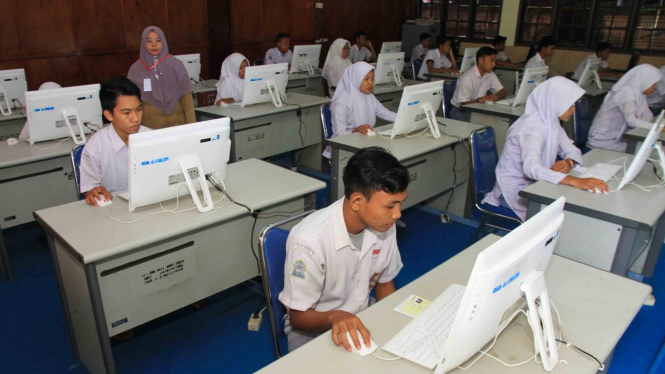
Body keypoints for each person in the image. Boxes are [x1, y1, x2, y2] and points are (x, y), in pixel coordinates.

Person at [279, 146, 409, 352]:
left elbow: (384, 283)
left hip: (361, 312)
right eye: (390, 206)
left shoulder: (385, 226)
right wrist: (334, 316)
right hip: (312, 327)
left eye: (401, 204)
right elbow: (298, 318)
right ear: (357, 201)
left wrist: (393, 322)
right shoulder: (309, 240)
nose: (397, 214)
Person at [483, 77, 609, 221]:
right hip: (514, 191)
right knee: (562, 214)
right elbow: (531, 168)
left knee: (567, 205)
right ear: (555, 102)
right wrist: (573, 180)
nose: (573, 109)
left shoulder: (551, 122)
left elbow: (572, 149)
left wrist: (569, 162)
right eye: (570, 104)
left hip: (537, 185)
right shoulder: (531, 128)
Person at [80, 76, 150, 207]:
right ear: (108, 115)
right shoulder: (95, 147)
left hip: (150, 204)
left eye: (139, 110)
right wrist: (93, 192)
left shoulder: (152, 137)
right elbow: (92, 190)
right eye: (126, 112)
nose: (135, 118)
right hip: (113, 210)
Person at [323, 62, 397, 157]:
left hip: (364, 144)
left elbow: (386, 113)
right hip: (343, 150)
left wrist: (407, 117)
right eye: (366, 79)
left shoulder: (369, 96)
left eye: (372, 79)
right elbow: (340, 135)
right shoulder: (340, 103)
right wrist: (356, 130)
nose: (371, 83)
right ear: (355, 78)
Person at [127, 26, 195, 129]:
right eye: (149, 41)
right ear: (143, 44)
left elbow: (188, 101)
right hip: (149, 127)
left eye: (158, 40)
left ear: (163, 41)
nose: (154, 44)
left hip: (178, 125)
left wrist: (193, 128)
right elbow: (131, 104)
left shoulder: (176, 65)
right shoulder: (135, 69)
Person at [587, 64, 663, 152]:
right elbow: (632, 122)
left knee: (645, 150)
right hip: (602, 140)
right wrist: (657, 127)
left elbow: (648, 114)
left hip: (619, 138)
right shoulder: (626, 93)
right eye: (653, 83)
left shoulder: (639, 93)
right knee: (642, 151)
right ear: (644, 80)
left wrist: (639, 121)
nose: (655, 87)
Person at [450, 47, 507, 121]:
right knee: (484, 122)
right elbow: (463, 104)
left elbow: (503, 92)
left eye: (495, 61)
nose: (494, 64)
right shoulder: (466, 78)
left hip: (478, 109)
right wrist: (478, 101)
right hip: (461, 111)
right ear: (480, 60)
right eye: (491, 61)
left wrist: (495, 97)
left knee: (497, 120)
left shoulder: (490, 74)